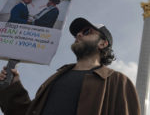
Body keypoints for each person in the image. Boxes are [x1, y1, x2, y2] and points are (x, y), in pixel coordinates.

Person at [0, 17, 141, 115]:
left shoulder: (118, 82)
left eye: (87, 32)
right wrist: (13, 87)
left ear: (102, 44)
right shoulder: (55, 78)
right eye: (77, 33)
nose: (79, 35)